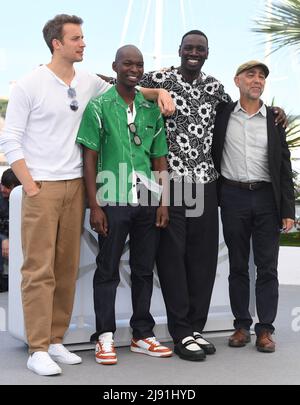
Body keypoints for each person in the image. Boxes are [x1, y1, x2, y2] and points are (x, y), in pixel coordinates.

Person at [0, 14, 174, 376]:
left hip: (77, 187)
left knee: (65, 269)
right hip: (42, 187)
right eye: (76, 38)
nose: (83, 43)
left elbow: (128, 89)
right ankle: (37, 347)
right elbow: (10, 138)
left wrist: (159, 92)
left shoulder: (88, 81)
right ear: (56, 43)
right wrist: (29, 184)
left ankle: (56, 340)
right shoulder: (29, 84)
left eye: (83, 38)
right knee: (38, 270)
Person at [134, 30, 288, 361]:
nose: (193, 52)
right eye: (188, 47)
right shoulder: (161, 77)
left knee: (202, 262)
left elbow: (240, 109)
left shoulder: (215, 87)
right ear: (179, 50)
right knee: (172, 260)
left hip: (205, 183)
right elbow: (127, 86)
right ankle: (179, 332)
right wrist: (157, 90)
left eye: (199, 49)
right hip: (171, 182)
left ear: (207, 53)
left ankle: (195, 328)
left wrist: (277, 112)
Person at [76, 44, 173, 365]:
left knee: (145, 269)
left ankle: (142, 334)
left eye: (139, 64)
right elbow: (89, 158)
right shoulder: (99, 106)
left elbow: (160, 159)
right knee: (107, 270)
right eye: (127, 64)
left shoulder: (151, 109)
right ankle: (104, 337)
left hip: (148, 200)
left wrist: (163, 202)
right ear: (115, 66)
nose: (134, 69)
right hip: (112, 198)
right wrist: (95, 205)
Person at [212, 60, 295, 353]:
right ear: (237, 81)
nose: (257, 80)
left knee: (267, 268)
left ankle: (265, 330)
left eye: (261, 76)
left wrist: (288, 210)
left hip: (266, 199)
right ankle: (241, 326)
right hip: (232, 196)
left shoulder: (274, 120)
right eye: (251, 75)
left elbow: (284, 166)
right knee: (237, 266)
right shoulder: (221, 114)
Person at [0, 169, 21, 292]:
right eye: (2, 185)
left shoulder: (26, 201)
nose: (3, 189)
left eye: (8, 187)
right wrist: (3, 239)